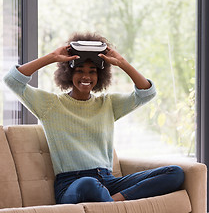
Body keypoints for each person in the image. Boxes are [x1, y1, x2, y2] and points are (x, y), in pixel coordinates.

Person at [3, 32, 184, 204]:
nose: (86, 77)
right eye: (80, 70)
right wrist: (52, 57)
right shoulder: (50, 105)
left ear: (100, 75)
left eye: (92, 71)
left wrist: (121, 62)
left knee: (175, 173)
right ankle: (110, 202)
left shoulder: (108, 104)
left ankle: (113, 202)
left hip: (108, 181)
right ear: (68, 73)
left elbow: (147, 93)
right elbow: (13, 80)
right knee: (88, 183)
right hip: (72, 184)